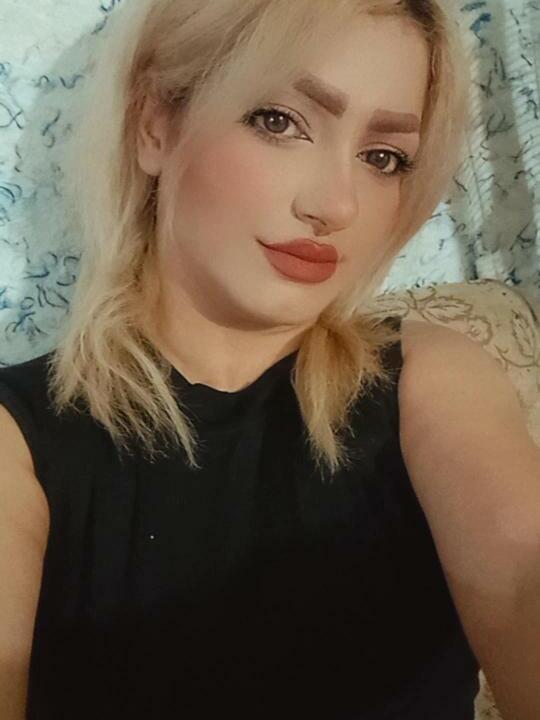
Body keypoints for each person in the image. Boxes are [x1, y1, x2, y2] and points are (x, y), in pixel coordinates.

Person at [0, 0, 488, 717]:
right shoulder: (17, 440)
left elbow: (521, 572)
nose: (337, 205)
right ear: (156, 124)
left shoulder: (430, 376)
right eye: (279, 121)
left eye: (382, 157)